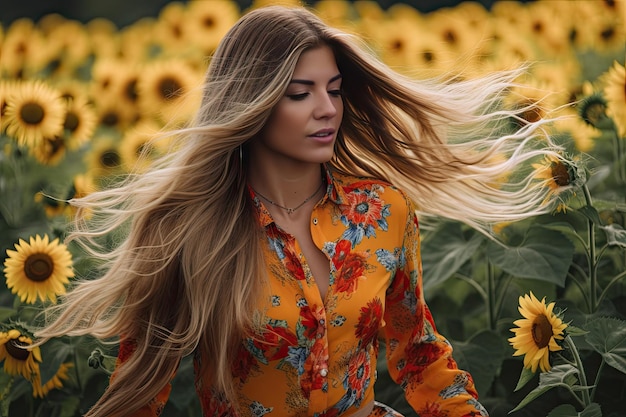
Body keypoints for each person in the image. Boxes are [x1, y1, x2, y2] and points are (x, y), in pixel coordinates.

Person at [36, 5, 566, 417]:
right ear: (252, 100)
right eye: (300, 93)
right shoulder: (189, 229)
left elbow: (421, 357)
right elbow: (139, 392)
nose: (327, 109)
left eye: (334, 90)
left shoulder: (386, 213)